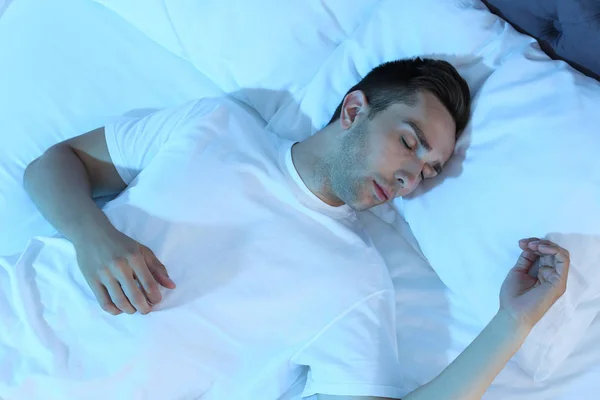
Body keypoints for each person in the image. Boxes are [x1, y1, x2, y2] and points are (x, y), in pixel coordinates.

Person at [23, 58, 570, 399]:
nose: (410, 177)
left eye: (428, 172)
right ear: (354, 110)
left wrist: (512, 324)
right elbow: (55, 162)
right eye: (409, 142)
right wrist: (93, 236)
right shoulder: (214, 125)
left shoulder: (358, 283)